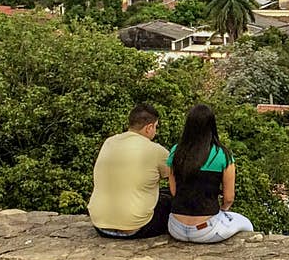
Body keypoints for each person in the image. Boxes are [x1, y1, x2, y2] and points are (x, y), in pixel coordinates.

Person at [166, 104, 255, 243]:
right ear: (212, 126)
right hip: (205, 230)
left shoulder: (176, 151)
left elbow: (173, 190)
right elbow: (229, 198)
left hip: (175, 227)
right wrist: (223, 209)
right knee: (246, 223)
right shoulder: (222, 155)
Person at [88, 104, 172, 239]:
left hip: (100, 225)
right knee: (170, 198)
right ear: (149, 127)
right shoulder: (155, 150)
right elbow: (176, 177)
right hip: (138, 228)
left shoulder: (109, 142)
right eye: (156, 126)